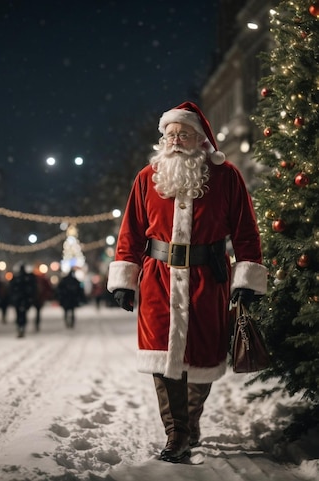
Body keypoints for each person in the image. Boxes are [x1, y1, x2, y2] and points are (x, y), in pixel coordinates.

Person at [106, 101, 267, 463]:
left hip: (208, 279)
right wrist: (123, 278)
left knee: (204, 355)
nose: (175, 141)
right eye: (170, 135)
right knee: (161, 356)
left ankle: (191, 420)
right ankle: (176, 433)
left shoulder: (227, 177)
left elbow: (246, 231)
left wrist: (247, 276)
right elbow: (130, 229)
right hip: (157, 280)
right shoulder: (147, 177)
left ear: (201, 139)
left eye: (183, 134)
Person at [9, 264, 37, 338]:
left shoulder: (18, 278)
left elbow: (11, 289)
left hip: (20, 300)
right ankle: (21, 327)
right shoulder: (26, 278)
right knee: (22, 315)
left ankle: (20, 327)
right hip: (23, 300)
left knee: (20, 315)